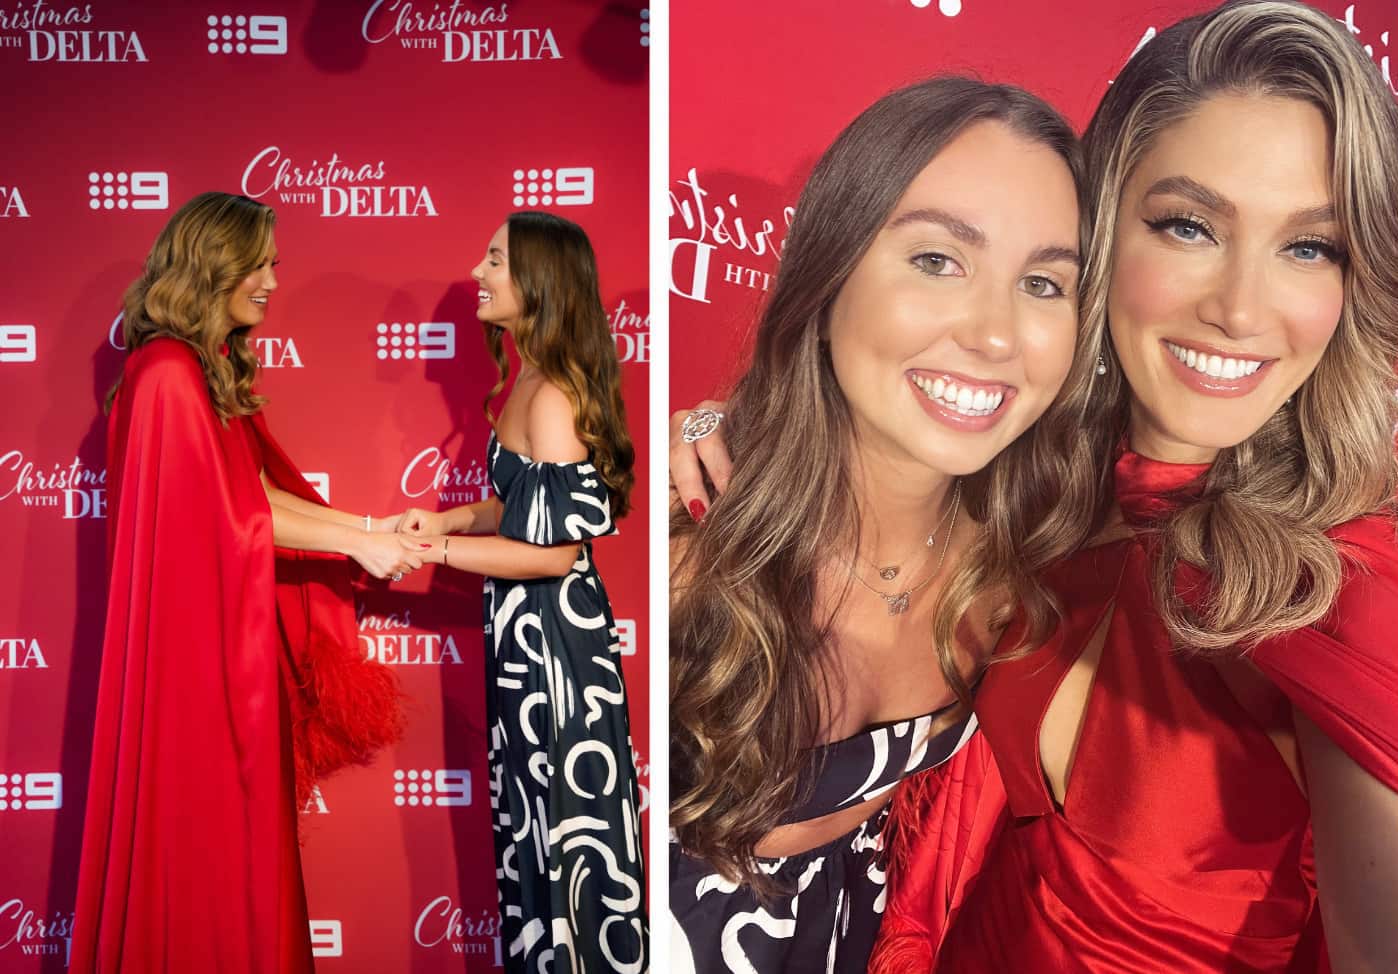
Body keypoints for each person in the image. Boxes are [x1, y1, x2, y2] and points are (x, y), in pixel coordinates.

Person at [874, 2, 1398, 969]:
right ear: (1104, 228)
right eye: (1189, 226)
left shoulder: (1350, 588)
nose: (1239, 308)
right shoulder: (1032, 484)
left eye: (1308, 246)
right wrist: (713, 426)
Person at [667, 77, 1088, 972]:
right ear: (829, 274)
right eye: (937, 260)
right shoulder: (679, 549)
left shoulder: (1038, 559)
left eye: (1045, 282)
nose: (996, 334)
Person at [71, 192, 411, 973]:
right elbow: (237, 517)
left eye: (272, 265)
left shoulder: (202, 367)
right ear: (211, 264)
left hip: (227, 655)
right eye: (256, 264)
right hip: (191, 670)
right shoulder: (165, 373)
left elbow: (251, 492)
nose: (268, 281)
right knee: (205, 850)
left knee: (242, 853)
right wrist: (367, 542)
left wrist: (369, 533)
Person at [398, 211, 647, 973]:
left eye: (495, 259)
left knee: (566, 840)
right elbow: (519, 510)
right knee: (534, 841)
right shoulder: (529, 378)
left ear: (537, 281)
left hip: (557, 662)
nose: (477, 271)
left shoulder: (554, 397)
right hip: (524, 652)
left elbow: (551, 555)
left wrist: (435, 550)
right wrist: (442, 518)